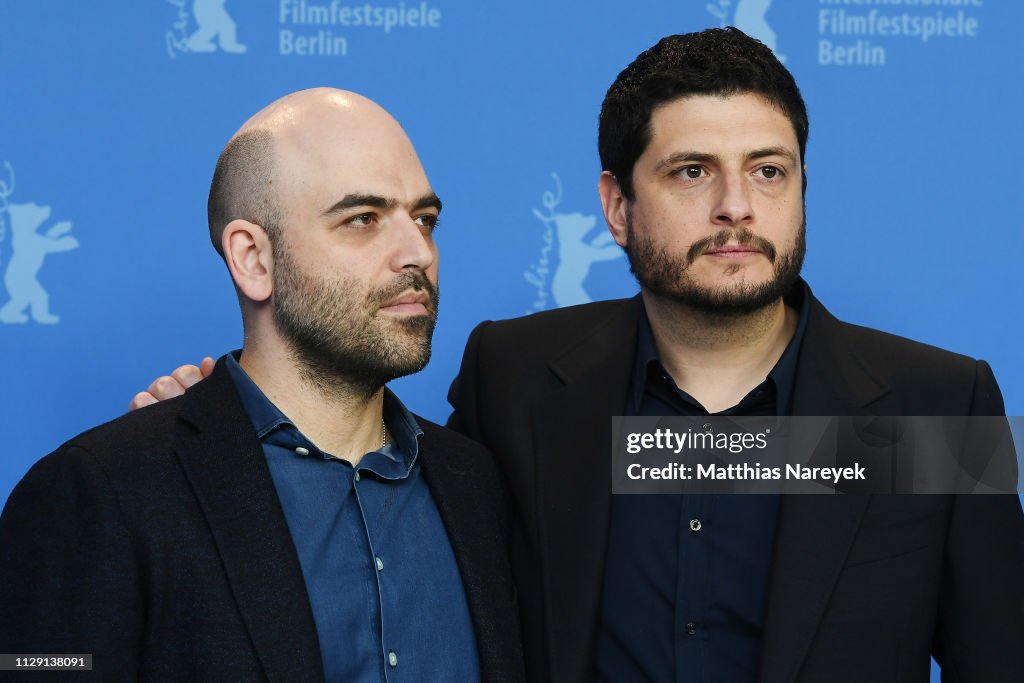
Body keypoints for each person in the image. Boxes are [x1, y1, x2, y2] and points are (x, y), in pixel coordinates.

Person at [125, 29, 1024, 683]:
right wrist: (222, 421)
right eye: (690, 172)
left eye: (769, 170)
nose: (737, 208)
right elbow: (384, 499)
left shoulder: (943, 406)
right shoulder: (515, 378)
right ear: (616, 206)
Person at [0, 88, 524, 682]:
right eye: (363, 219)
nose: (417, 252)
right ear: (252, 258)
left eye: (424, 219)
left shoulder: (475, 483)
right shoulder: (103, 490)